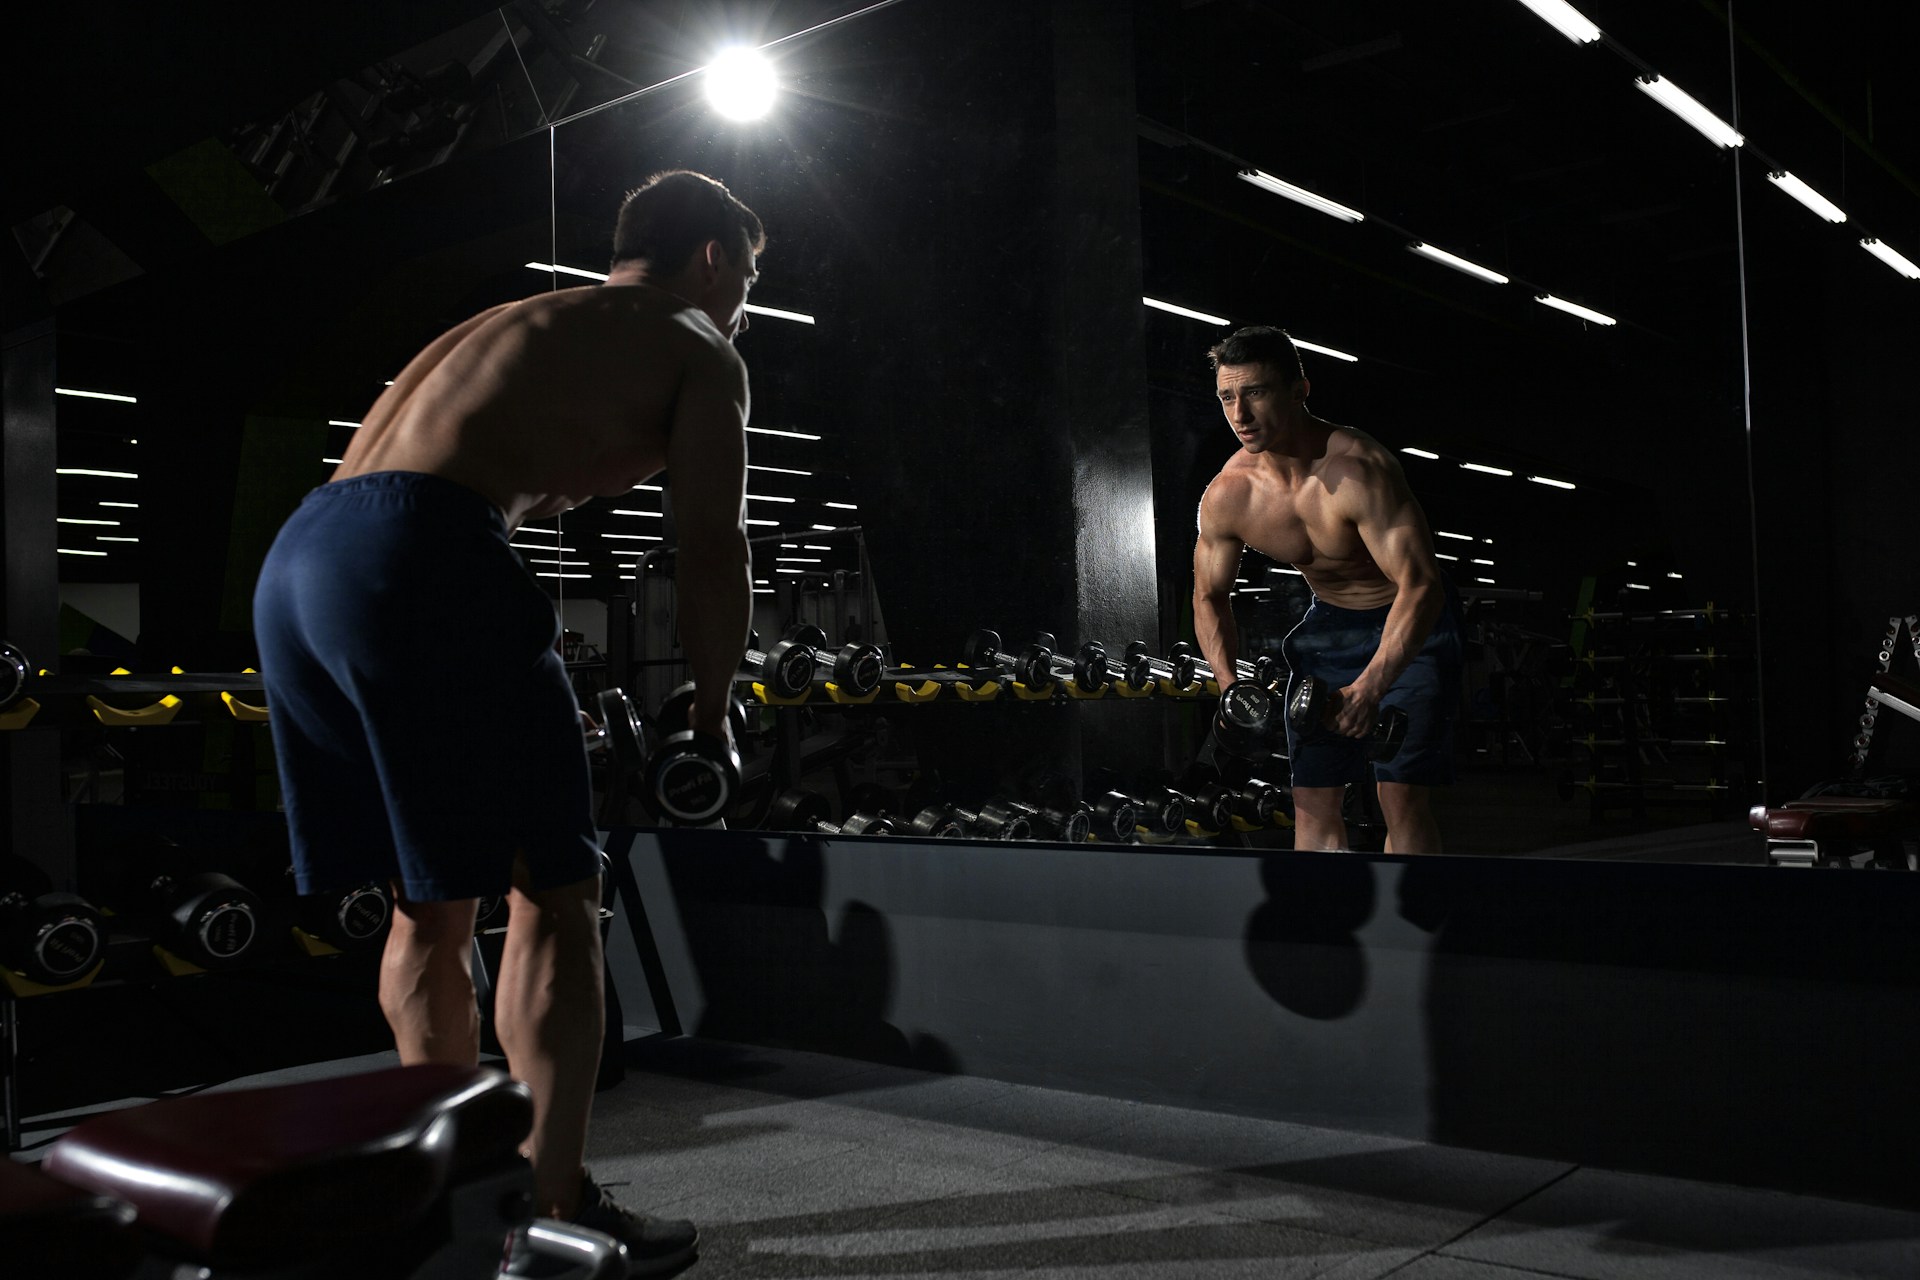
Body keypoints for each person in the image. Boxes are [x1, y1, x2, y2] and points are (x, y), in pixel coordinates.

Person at [253, 169, 761, 1275]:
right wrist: (716, 703)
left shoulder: (519, 319)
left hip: (302, 560)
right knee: (556, 895)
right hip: (426, 550)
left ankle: (447, 1199)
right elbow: (712, 546)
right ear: (712, 257)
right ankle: (548, 1210)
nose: (743, 306)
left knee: (427, 905)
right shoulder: (694, 339)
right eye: (748, 280)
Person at [1192, 326, 1461, 854]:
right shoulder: (1230, 494)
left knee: (1400, 797)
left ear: (1299, 391)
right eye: (1227, 397)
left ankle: (1412, 909)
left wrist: (1371, 688)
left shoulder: (1358, 471)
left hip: (1411, 622)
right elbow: (1209, 596)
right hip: (1331, 625)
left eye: (1256, 392)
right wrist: (1229, 687)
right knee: (1311, 801)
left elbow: (1422, 584)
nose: (1240, 414)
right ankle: (1319, 907)